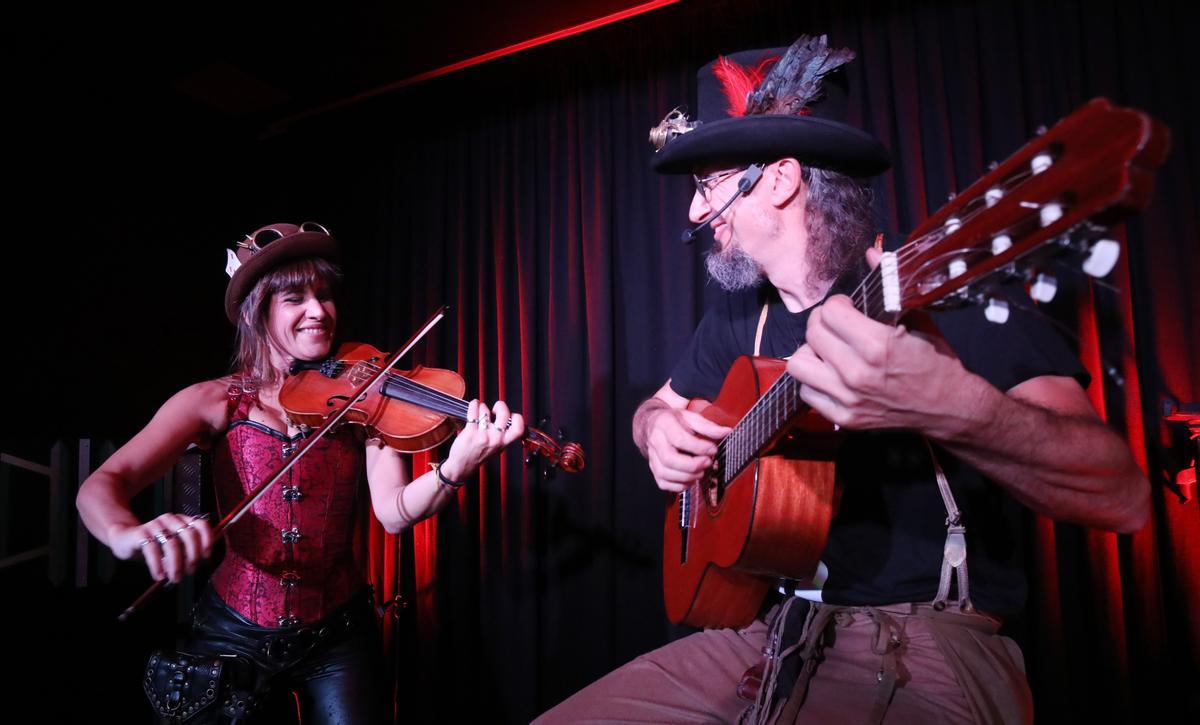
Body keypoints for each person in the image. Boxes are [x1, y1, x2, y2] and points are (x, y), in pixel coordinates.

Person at [537, 36, 1148, 724]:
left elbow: (1121, 495)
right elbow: (656, 407)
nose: (694, 212)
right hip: (765, 635)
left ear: (778, 179)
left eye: (707, 185)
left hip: (923, 644)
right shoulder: (744, 315)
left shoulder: (936, 297)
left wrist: (955, 409)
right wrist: (656, 430)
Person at [77, 222, 525, 724]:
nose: (319, 311)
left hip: (338, 633)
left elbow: (395, 513)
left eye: (325, 295)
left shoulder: (365, 396)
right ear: (257, 313)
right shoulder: (214, 401)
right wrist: (124, 534)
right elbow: (102, 485)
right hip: (233, 630)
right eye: (295, 299)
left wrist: (455, 468)